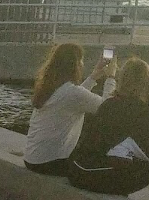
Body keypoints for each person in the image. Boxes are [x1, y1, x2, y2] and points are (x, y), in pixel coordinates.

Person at [68, 55, 149, 200]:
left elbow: (117, 137)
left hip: (79, 172)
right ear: (147, 84)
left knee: (121, 160)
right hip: (98, 178)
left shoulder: (107, 105)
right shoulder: (146, 112)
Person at [21, 41, 115, 175]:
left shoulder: (50, 87)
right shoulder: (72, 93)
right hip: (51, 163)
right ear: (75, 65)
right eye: (81, 61)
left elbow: (74, 98)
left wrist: (93, 77)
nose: (82, 64)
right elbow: (108, 108)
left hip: (32, 159)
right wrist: (111, 77)